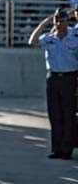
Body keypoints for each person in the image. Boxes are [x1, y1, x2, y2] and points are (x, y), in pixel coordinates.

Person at [28, 9, 78, 160]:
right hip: (53, 78)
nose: (59, 23)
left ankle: (67, 150)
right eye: (57, 20)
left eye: (62, 20)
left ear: (67, 21)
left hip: (70, 78)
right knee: (54, 115)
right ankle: (57, 149)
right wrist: (45, 22)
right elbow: (32, 41)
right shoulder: (49, 37)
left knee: (68, 115)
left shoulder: (75, 36)